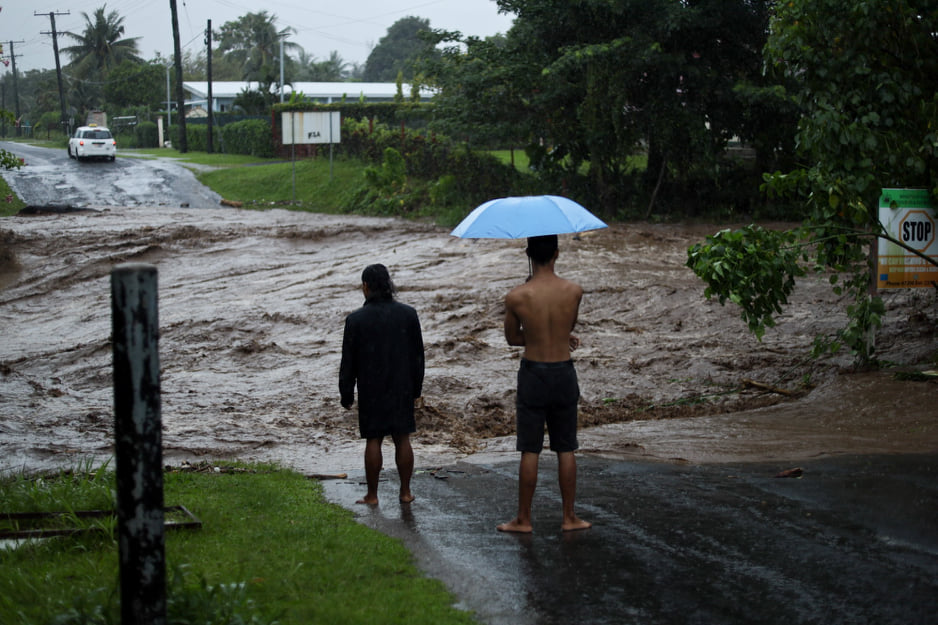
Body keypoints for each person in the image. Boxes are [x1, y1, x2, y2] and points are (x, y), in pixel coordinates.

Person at [497, 234, 592, 533]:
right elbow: (566, 328)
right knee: (566, 447)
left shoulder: (516, 297)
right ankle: (569, 517)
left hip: (534, 374)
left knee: (530, 448)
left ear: (528, 253)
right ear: (557, 254)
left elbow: (513, 339)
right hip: (563, 372)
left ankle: (524, 519)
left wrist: (535, 335)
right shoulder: (574, 291)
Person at [339, 264, 425, 505]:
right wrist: (416, 387)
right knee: (402, 438)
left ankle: (372, 495)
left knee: (374, 439)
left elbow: (349, 362)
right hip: (402, 386)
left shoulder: (355, 320)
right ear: (389, 285)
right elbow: (418, 355)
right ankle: (406, 492)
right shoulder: (408, 314)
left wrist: (346, 393)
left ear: (365, 287)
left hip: (371, 387)